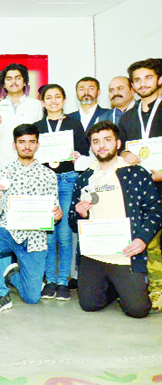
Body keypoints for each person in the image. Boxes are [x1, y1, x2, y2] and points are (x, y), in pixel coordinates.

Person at [69, 121, 161, 318]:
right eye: (96, 141)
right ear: (91, 147)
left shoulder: (137, 173)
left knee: (138, 310)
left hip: (126, 253)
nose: (101, 145)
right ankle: (114, 287)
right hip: (94, 254)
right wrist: (80, 215)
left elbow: (155, 211)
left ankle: (124, 288)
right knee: (89, 305)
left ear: (118, 144)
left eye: (107, 140)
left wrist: (142, 239)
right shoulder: (84, 178)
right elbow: (72, 221)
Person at [0, 124, 62, 313]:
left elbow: (54, 213)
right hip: (9, 231)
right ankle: (1, 294)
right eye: (22, 142)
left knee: (32, 297)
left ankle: (12, 274)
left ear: (37, 145)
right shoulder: (3, 172)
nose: (27, 146)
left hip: (35, 238)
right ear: (14, 145)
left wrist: (56, 215)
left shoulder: (49, 175)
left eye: (31, 142)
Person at [33, 84, 89, 300]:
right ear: (43, 102)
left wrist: (77, 156)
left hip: (67, 180)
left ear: (64, 100)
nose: (53, 101)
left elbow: (84, 154)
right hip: (45, 183)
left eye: (58, 97)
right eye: (49, 97)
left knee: (64, 234)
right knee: (48, 234)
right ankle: (50, 280)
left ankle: (63, 281)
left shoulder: (74, 124)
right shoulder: (37, 126)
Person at [117, 58, 162, 311]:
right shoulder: (127, 118)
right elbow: (120, 148)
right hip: (142, 191)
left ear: (159, 80)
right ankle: (155, 290)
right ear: (133, 86)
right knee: (148, 242)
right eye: (137, 80)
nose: (143, 84)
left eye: (148, 78)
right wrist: (124, 153)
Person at [0, 63, 44, 171]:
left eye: (18, 78)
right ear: (4, 85)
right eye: (9, 79)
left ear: (24, 82)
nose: (13, 82)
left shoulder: (37, 106)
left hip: (31, 168)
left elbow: (43, 139)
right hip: (3, 169)